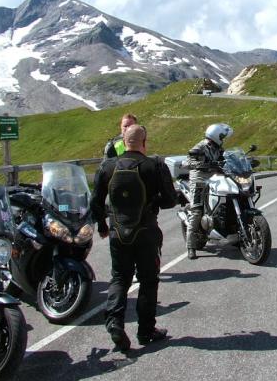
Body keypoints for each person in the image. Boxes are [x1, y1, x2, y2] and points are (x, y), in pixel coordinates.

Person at [91, 124, 178, 352]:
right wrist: (155, 201)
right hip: (147, 231)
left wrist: (102, 224)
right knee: (148, 281)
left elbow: (96, 202)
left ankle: (115, 322)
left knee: (119, 278)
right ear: (144, 142)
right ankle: (146, 330)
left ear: (123, 141)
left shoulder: (107, 166)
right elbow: (170, 200)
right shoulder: (155, 165)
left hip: (118, 232)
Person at [185, 123, 233, 260]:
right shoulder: (200, 147)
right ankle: (191, 247)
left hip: (214, 177)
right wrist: (202, 164)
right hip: (199, 179)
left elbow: (226, 159)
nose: (223, 139)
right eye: (222, 136)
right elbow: (187, 162)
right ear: (216, 135)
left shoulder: (219, 148)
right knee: (196, 211)